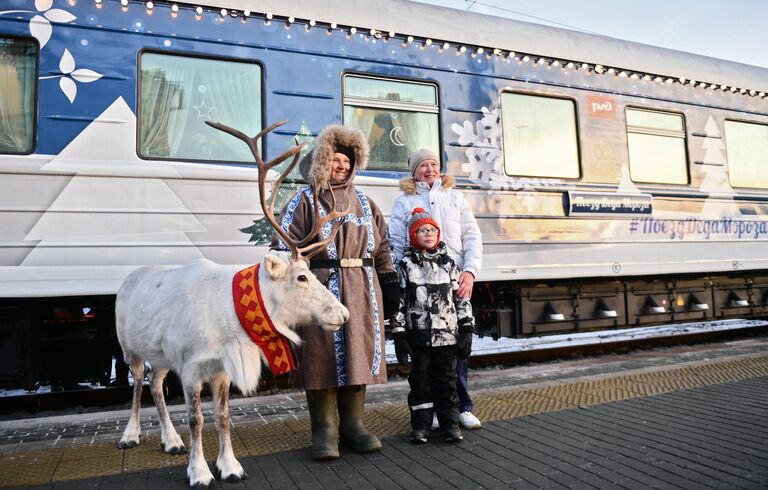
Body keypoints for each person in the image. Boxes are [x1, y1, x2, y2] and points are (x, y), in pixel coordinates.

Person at [271, 124, 398, 460]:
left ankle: (353, 426)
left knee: (358, 351)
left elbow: (381, 245)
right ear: (323, 162)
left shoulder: (365, 202)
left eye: (346, 161)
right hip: (319, 288)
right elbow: (283, 245)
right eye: (336, 160)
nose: (341, 166)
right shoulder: (303, 200)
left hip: (362, 287)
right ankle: (324, 431)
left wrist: (388, 279)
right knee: (320, 357)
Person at [388, 148, 483, 430]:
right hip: (416, 282)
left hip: (452, 281)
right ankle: (429, 414)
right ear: (413, 171)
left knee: (454, 347)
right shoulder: (404, 201)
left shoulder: (455, 197)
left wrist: (470, 271)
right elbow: (394, 241)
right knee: (424, 360)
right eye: (422, 165)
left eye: (433, 164)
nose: (429, 169)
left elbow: (471, 235)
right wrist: (396, 279)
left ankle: (460, 408)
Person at [390, 208, 475, 444]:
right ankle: (421, 427)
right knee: (420, 382)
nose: (428, 234)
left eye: (432, 230)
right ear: (413, 236)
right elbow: (399, 303)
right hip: (419, 337)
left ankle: (450, 425)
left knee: (447, 381)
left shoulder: (449, 265)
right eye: (422, 230)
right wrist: (399, 334)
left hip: (447, 337)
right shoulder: (406, 266)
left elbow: (461, 299)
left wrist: (467, 329)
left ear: (438, 234)